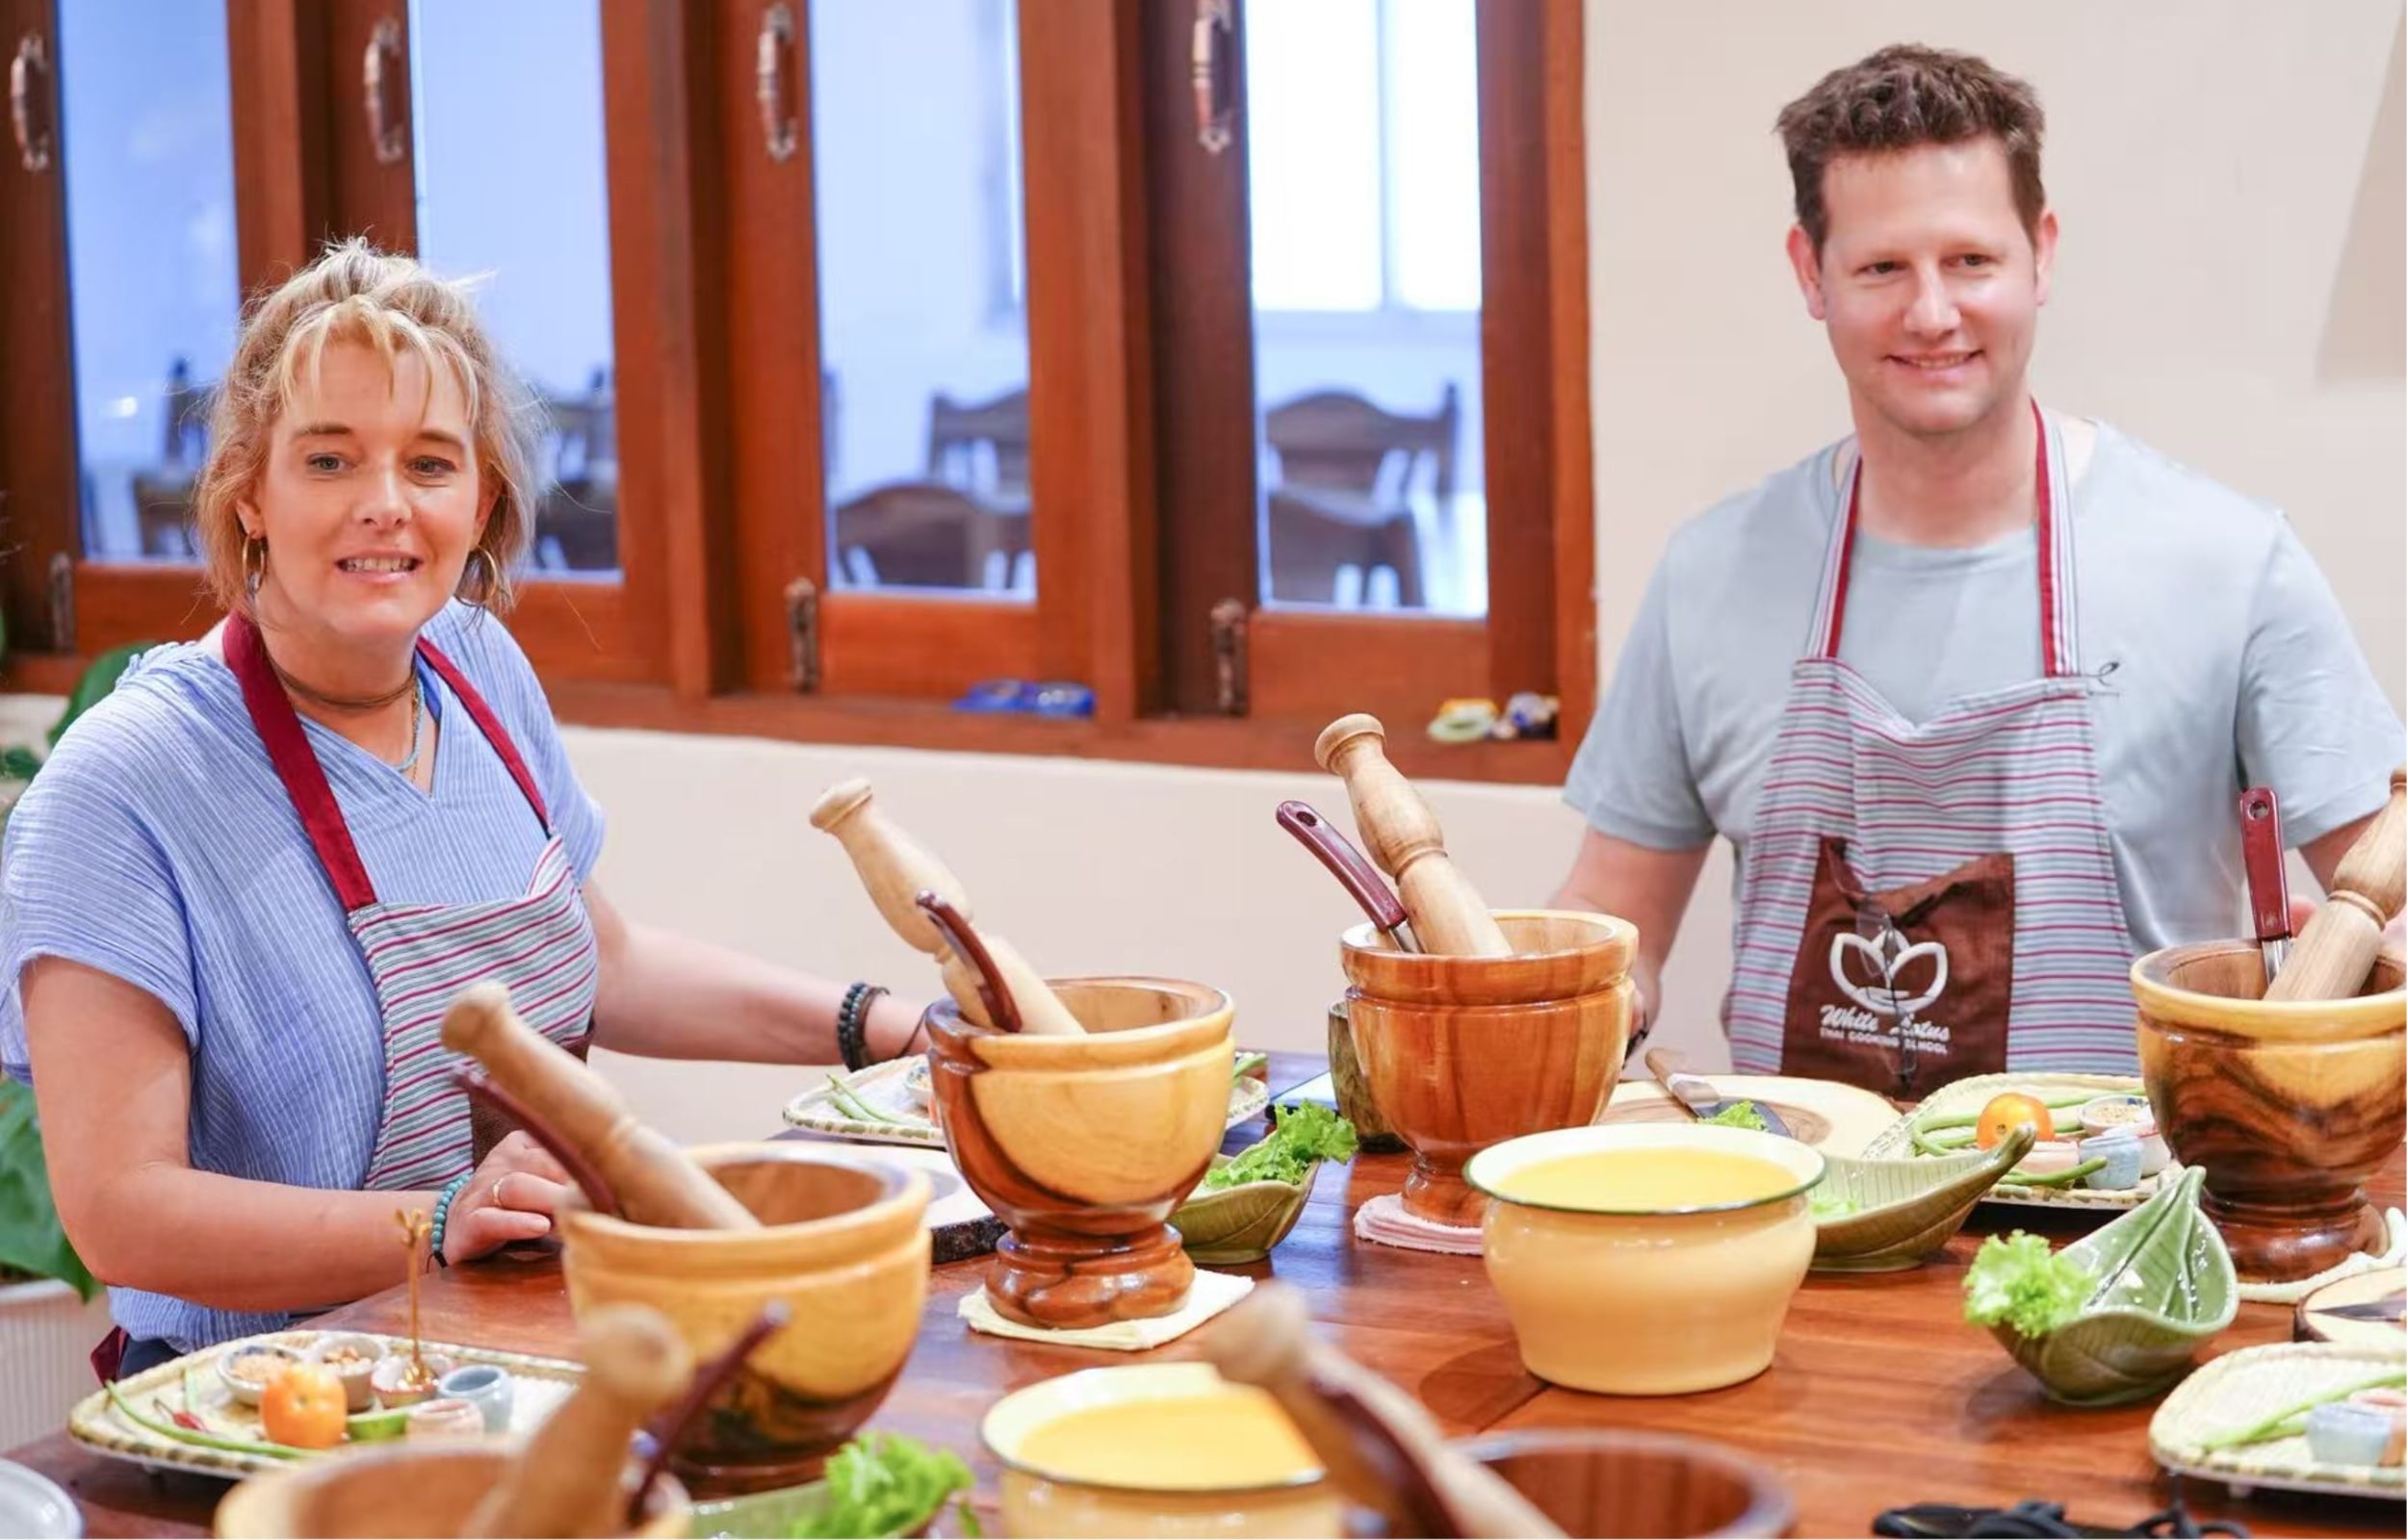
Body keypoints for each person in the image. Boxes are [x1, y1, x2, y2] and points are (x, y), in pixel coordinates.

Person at [0, 243, 924, 1373]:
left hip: (511, 1352)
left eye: (429, 463)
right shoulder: (126, 783)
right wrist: (438, 1221)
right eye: (329, 459)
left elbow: (607, 962)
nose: (385, 506)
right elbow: (121, 1208)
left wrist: (891, 1028)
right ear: (249, 492)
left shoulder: (475, 669)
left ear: (480, 500)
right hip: (273, 1409)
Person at [1551, 45, 2404, 1096]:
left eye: (1969, 261)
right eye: (1881, 268)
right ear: (1810, 273)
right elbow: (1613, 927)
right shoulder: (1709, 576)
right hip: (1793, 1194)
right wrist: (1545, 1001)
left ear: (2040, 255)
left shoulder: (2229, 565)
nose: (1930, 314)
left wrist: (2348, 992)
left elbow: (2384, 902)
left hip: (2125, 1195)